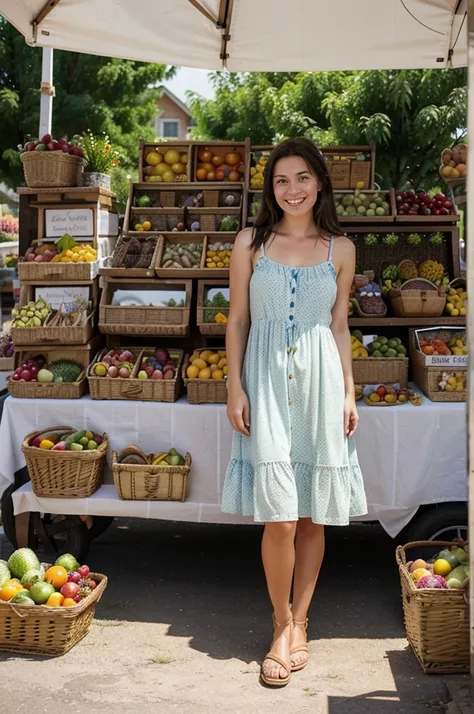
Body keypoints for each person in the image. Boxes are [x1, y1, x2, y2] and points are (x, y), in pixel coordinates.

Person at [221, 138, 368, 687]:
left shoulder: (341, 250)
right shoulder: (250, 244)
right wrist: (234, 386)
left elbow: (339, 326)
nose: (293, 189)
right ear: (270, 190)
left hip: (322, 384)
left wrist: (351, 391)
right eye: (282, 181)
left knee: (312, 515)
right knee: (280, 516)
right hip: (263, 382)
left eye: (302, 177)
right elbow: (237, 320)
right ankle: (279, 623)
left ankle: (301, 621)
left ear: (321, 182)